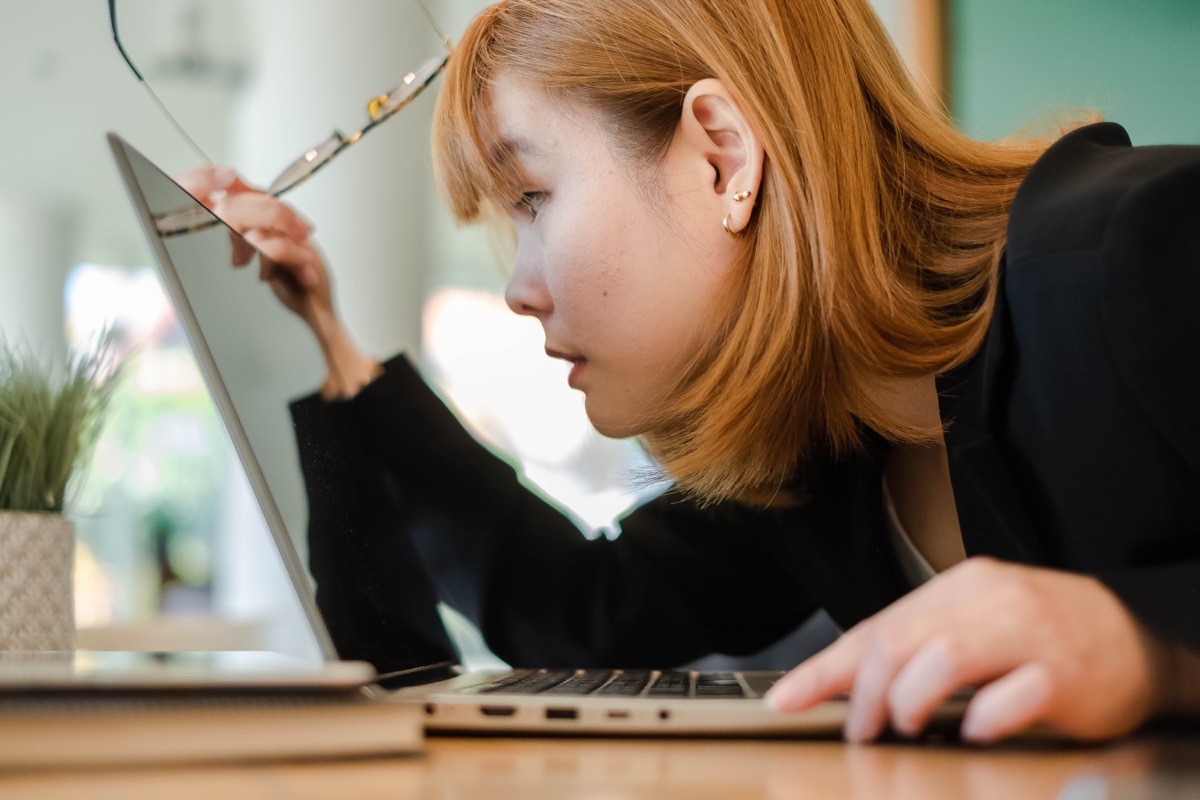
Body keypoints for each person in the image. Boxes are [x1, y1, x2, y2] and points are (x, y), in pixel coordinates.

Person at [179, 0, 1200, 744]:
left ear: (722, 154)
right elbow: (588, 612)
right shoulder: (820, 448)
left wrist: (1148, 642)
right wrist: (334, 344)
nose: (519, 290)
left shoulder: (1143, 245)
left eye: (531, 197)